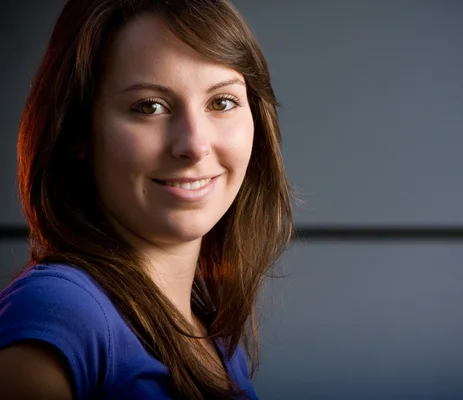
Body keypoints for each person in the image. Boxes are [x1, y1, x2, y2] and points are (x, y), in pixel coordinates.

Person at [0, 0, 293, 398]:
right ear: (78, 133)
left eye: (221, 102)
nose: (194, 144)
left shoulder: (211, 331)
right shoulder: (59, 313)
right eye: (149, 107)